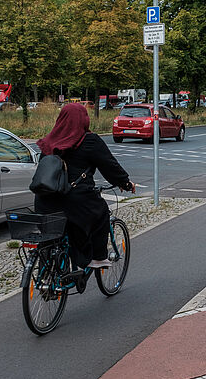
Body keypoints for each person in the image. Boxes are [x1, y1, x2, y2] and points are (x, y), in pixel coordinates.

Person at [35, 103, 135, 282]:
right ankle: (97, 258)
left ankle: (47, 276)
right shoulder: (89, 140)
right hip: (75, 201)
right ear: (83, 120)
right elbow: (109, 166)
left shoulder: (48, 141)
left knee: (54, 234)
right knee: (101, 211)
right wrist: (125, 183)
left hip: (44, 200)